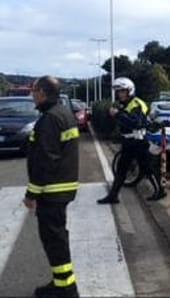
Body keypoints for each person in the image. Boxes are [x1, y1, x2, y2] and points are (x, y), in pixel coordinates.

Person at [24, 76, 80, 298]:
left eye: (34, 90)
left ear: (44, 93)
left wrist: (32, 193)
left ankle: (66, 289)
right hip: (63, 188)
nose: (32, 95)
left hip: (52, 191)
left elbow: (44, 161)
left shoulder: (49, 119)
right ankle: (62, 283)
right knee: (57, 239)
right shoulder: (64, 114)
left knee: (54, 241)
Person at [97, 77, 166, 204]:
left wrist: (118, 114)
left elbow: (137, 123)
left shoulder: (137, 104)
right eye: (118, 91)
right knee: (122, 169)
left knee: (147, 168)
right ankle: (113, 195)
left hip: (139, 142)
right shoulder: (126, 105)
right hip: (129, 142)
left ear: (130, 91)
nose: (120, 94)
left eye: (122, 91)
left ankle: (160, 191)